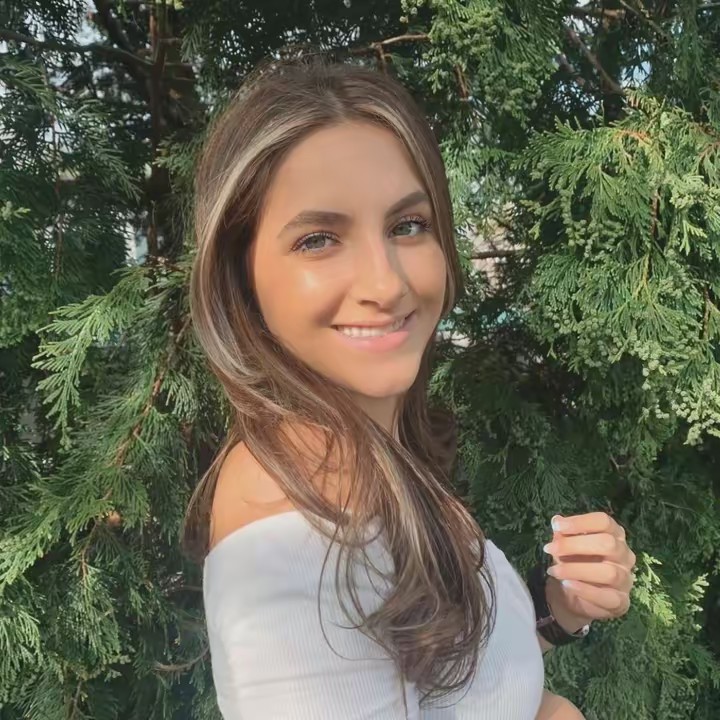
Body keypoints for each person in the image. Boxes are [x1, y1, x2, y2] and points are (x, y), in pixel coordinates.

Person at [183, 58, 636, 720]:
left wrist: (558, 608)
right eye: (318, 239)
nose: (387, 283)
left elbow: (448, 677)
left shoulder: (364, 452)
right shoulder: (290, 522)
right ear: (240, 275)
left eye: (407, 226)